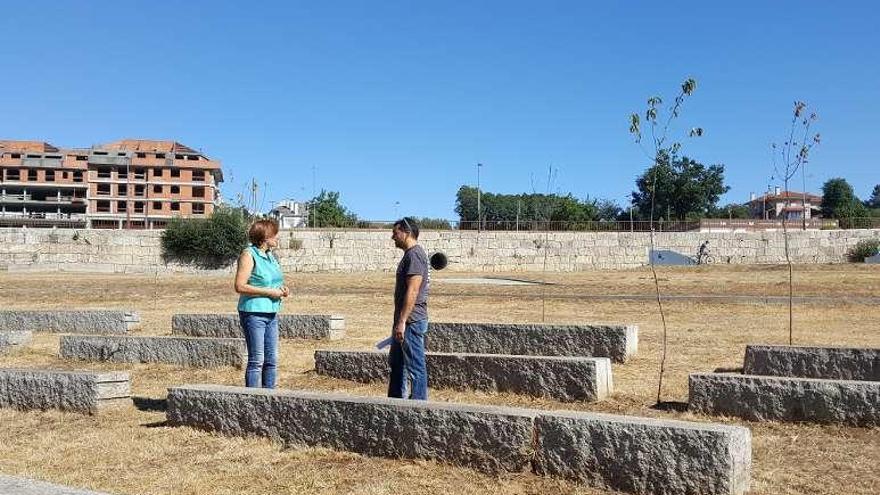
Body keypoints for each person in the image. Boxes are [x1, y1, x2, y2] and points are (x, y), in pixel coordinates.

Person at [234, 219, 289, 388]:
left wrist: (281, 289)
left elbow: (270, 280)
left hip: (271, 312)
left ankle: (269, 400)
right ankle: (252, 402)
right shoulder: (248, 254)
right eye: (275, 234)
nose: (278, 237)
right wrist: (270, 292)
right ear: (265, 237)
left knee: (271, 360)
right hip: (253, 313)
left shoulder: (270, 255)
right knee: (257, 360)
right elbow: (239, 286)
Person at [387, 217, 430, 400]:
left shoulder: (414, 255)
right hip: (404, 321)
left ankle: (418, 408)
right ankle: (395, 404)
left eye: (395, 233)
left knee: (415, 368)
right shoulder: (410, 255)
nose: (392, 237)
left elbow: (413, 290)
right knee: (397, 364)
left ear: (406, 232)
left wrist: (403, 321)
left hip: (411, 321)